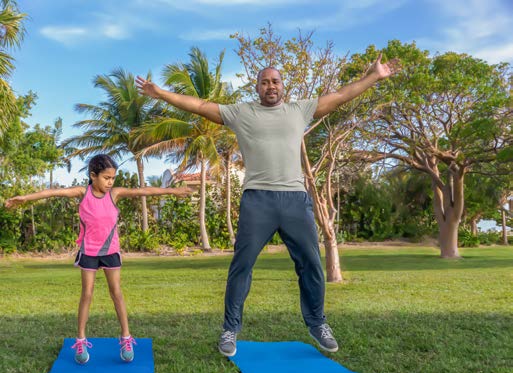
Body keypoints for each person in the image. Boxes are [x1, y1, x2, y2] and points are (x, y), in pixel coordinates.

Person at [136, 53, 400, 357]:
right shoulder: (241, 112)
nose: (270, 86)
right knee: (242, 265)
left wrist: (374, 76)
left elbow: (341, 96)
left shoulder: (299, 110)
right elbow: (199, 105)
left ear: (282, 86)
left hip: (295, 199)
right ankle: (230, 329)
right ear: (257, 87)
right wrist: (160, 93)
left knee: (311, 264)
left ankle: (317, 323)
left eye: (275, 81)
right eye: (264, 82)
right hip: (257, 199)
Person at [5, 154, 193, 364]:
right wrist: (25, 198)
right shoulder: (82, 192)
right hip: (89, 252)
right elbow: (53, 192)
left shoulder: (115, 194)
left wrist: (174, 191)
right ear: (93, 176)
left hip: (111, 251)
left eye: (113, 178)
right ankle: (81, 340)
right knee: (87, 294)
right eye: (106, 178)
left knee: (116, 293)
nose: (110, 182)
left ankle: (126, 337)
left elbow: (144, 191)